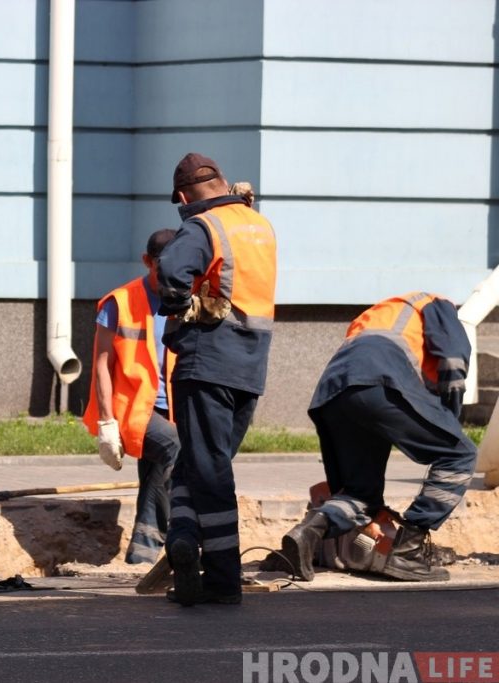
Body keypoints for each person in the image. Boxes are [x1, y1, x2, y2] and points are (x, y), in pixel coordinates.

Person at [280, 292, 477, 583]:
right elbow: (452, 362)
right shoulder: (437, 304)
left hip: (333, 394)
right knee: (459, 455)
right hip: (381, 381)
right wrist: (450, 421)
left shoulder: (380, 314)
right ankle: (407, 550)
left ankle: (309, 531)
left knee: (360, 493)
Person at [157, 152, 277, 606]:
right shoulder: (258, 224)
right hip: (251, 365)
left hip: (208, 360)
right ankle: (184, 537)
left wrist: (180, 306)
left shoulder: (203, 226)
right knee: (200, 460)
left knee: (210, 468)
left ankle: (223, 579)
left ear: (185, 196)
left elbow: (172, 272)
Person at [83, 229, 180, 565]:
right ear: (147, 262)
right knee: (173, 446)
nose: (170, 276)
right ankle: (179, 544)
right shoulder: (119, 302)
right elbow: (101, 365)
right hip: (130, 409)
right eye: (161, 268)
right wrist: (107, 422)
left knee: (156, 475)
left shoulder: (184, 296)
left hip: (171, 406)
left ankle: (142, 555)